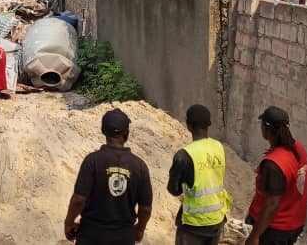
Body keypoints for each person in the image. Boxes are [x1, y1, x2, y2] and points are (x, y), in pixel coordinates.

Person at [65, 108, 153, 245]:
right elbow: (145, 209)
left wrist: (69, 223)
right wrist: (140, 229)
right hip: (124, 237)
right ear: (126, 133)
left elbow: (78, 200)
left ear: (103, 131)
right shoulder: (140, 166)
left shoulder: (92, 161)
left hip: (91, 235)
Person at [167, 104, 232, 245]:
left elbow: (173, 189)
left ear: (189, 125)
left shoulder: (184, 155)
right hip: (217, 219)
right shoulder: (219, 147)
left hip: (194, 225)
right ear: (209, 123)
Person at [245, 106, 307, 245]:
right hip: (295, 221)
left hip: (274, 230)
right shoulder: (299, 149)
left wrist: (255, 236)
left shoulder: (274, 164)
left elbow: (272, 204)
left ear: (266, 129)